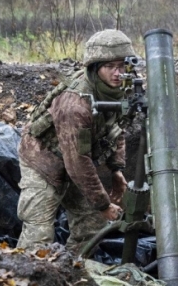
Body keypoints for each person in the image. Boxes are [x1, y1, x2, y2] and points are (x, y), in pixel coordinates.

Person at [16, 29, 136, 254]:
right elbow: (77, 161)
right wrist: (103, 203)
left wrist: (116, 170)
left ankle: (70, 270)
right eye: (110, 67)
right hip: (43, 161)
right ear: (95, 68)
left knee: (92, 226)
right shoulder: (75, 104)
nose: (118, 73)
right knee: (39, 234)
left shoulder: (121, 90)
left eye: (122, 66)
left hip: (77, 160)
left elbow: (118, 129)